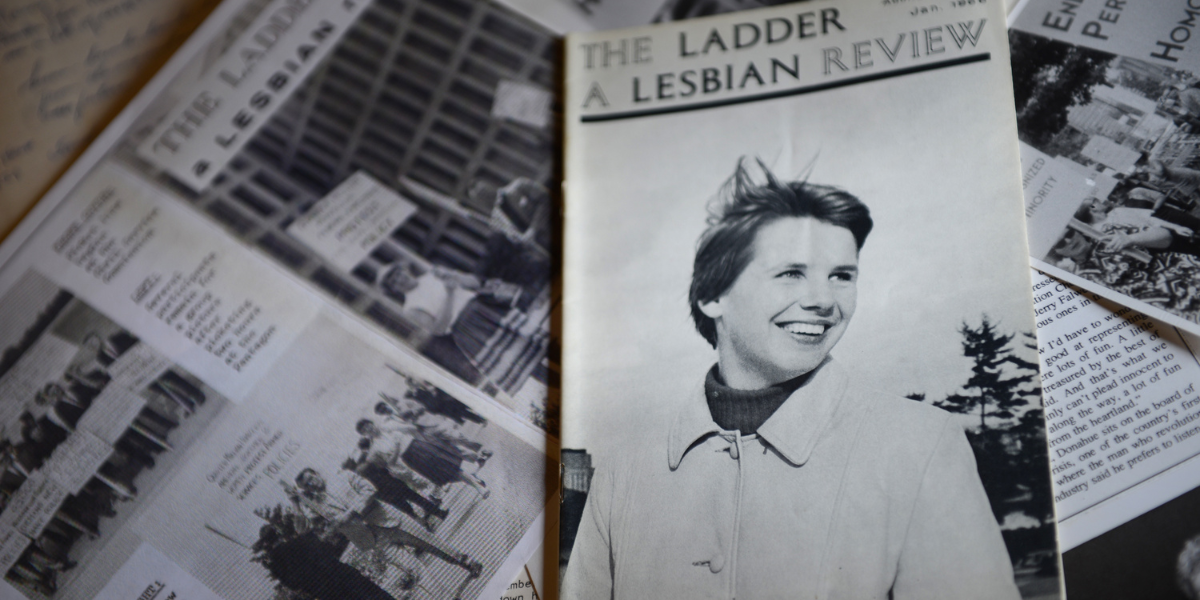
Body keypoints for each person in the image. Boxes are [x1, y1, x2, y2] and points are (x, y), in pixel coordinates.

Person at [561, 159, 1019, 599]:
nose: (823, 300)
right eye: (790, 273)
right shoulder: (625, 469)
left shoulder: (920, 445)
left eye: (842, 275)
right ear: (713, 296)